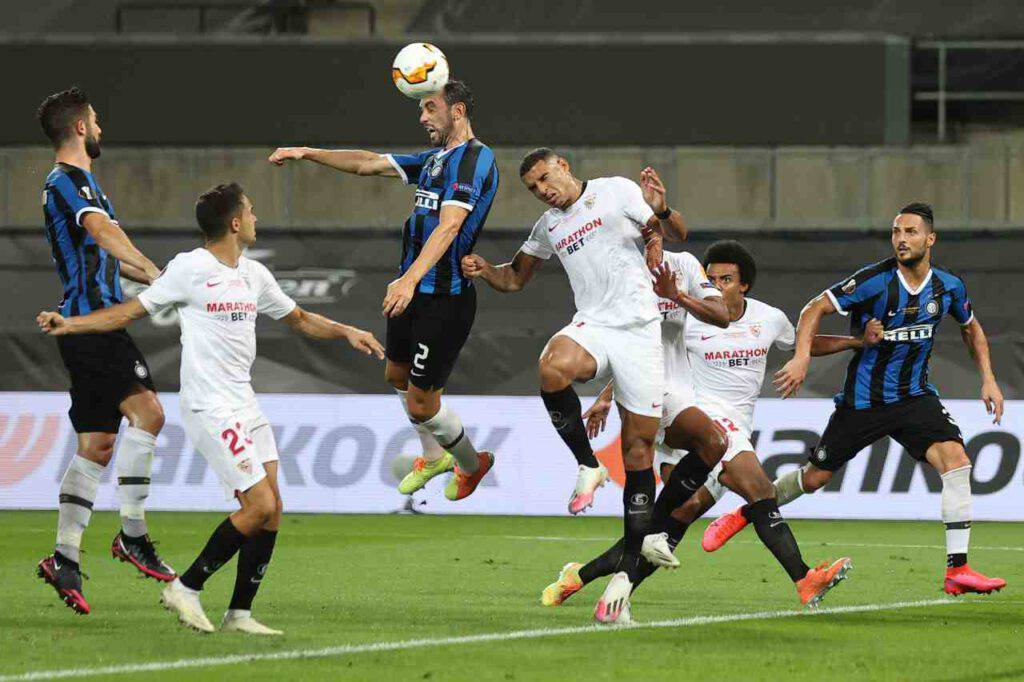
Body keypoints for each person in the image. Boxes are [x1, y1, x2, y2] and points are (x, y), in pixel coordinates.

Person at [37, 183, 385, 634]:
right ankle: (186, 587)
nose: (257, 217)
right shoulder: (189, 269)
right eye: (252, 210)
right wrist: (72, 323)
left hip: (246, 404)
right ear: (235, 222)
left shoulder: (253, 274)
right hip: (210, 407)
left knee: (273, 506)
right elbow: (127, 313)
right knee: (257, 504)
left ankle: (239, 613)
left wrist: (346, 331)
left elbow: (299, 318)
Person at [545, 240, 870, 617]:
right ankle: (804, 579)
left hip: (735, 427)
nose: (716, 284)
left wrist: (855, 342)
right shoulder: (690, 318)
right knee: (761, 492)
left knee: (668, 529)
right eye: (711, 278)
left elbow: (805, 342)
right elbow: (651, 356)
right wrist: (605, 397)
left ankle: (580, 577)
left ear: (744, 284)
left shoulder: (769, 318)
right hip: (700, 421)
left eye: (726, 278)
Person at [708, 204, 1007, 597]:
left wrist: (988, 378)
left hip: (915, 397)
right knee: (815, 478)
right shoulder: (875, 281)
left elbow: (971, 329)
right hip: (863, 403)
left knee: (957, 462)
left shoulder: (947, 287)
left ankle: (958, 570)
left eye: (911, 232)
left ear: (930, 239)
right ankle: (748, 510)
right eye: (897, 231)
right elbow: (814, 308)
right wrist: (800, 357)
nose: (902, 238)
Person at [462, 149, 704, 622]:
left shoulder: (615, 190)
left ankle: (623, 585)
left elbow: (673, 232)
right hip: (594, 325)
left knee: (638, 454)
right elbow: (514, 279)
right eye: (533, 187)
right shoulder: (548, 226)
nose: (542, 190)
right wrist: (485, 271)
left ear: (565, 167)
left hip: (639, 333)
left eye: (545, 178)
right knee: (552, 368)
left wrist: (658, 220)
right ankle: (586, 465)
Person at [268, 80, 497, 501]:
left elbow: (450, 225)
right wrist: (307, 152)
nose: (422, 116)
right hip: (410, 291)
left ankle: (470, 463)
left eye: (430, 108)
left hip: (443, 297)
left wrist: (410, 278)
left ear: (458, 111)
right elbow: (367, 163)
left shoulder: (475, 160)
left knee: (422, 404)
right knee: (395, 375)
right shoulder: (434, 160)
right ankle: (432, 456)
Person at [34, 87, 174, 615]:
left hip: (88, 326)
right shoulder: (67, 182)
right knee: (150, 413)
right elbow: (103, 231)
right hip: (94, 326)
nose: (100, 127)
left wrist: (159, 278)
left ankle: (64, 557)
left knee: (95, 445)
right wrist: (155, 274)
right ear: (78, 129)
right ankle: (132, 535)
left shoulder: (81, 183)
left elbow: (114, 250)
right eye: (94, 120)